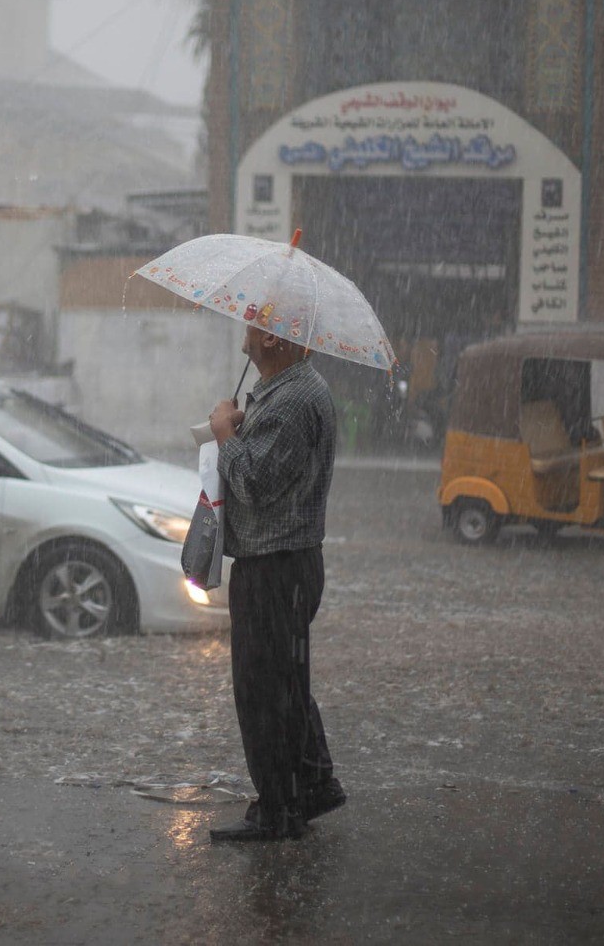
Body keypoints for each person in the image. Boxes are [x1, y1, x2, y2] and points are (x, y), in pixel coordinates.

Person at [205, 324, 344, 842]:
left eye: (252, 321)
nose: (242, 325)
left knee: (263, 691)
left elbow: (255, 484)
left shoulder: (293, 400)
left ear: (273, 340)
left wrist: (224, 434)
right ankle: (310, 786)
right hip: (285, 562)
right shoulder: (290, 390)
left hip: (275, 566)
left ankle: (278, 812)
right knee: (286, 682)